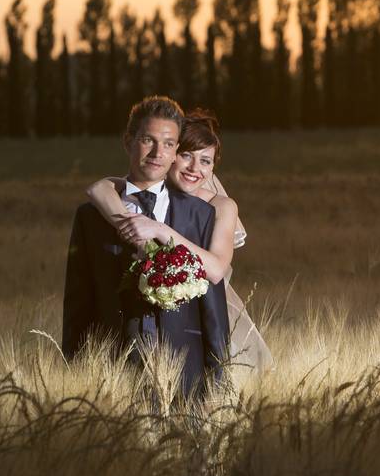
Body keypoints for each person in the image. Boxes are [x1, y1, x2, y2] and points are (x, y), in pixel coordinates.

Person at [62, 96, 230, 398]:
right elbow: (78, 304)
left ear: (176, 148)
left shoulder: (201, 215)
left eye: (168, 144)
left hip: (185, 374)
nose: (157, 152)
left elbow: (213, 311)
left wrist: (219, 385)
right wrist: (74, 381)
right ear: (128, 142)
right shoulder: (91, 217)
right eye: (147, 140)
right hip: (112, 374)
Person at [86, 109, 273, 373]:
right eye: (186, 156)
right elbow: (98, 189)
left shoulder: (220, 206)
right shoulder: (150, 194)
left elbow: (217, 269)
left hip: (203, 314)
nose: (195, 169)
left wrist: (159, 230)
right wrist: (128, 226)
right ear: (171, 156)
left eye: (206, 161)